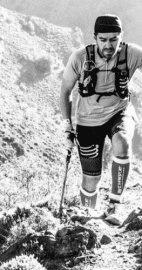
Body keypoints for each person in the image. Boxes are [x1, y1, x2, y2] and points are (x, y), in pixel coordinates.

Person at [59, 14, 142, 225]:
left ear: (120, 37)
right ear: (95, 37)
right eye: (103, 39)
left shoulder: (131, 54)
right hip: (88, 120)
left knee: (122, 142)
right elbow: (65, 91)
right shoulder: (79, 58)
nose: (108, 45)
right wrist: (68, 128)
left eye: (113, 39)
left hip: (119, 112)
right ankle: (88, 214)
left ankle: (115, 205)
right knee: (91, 178)